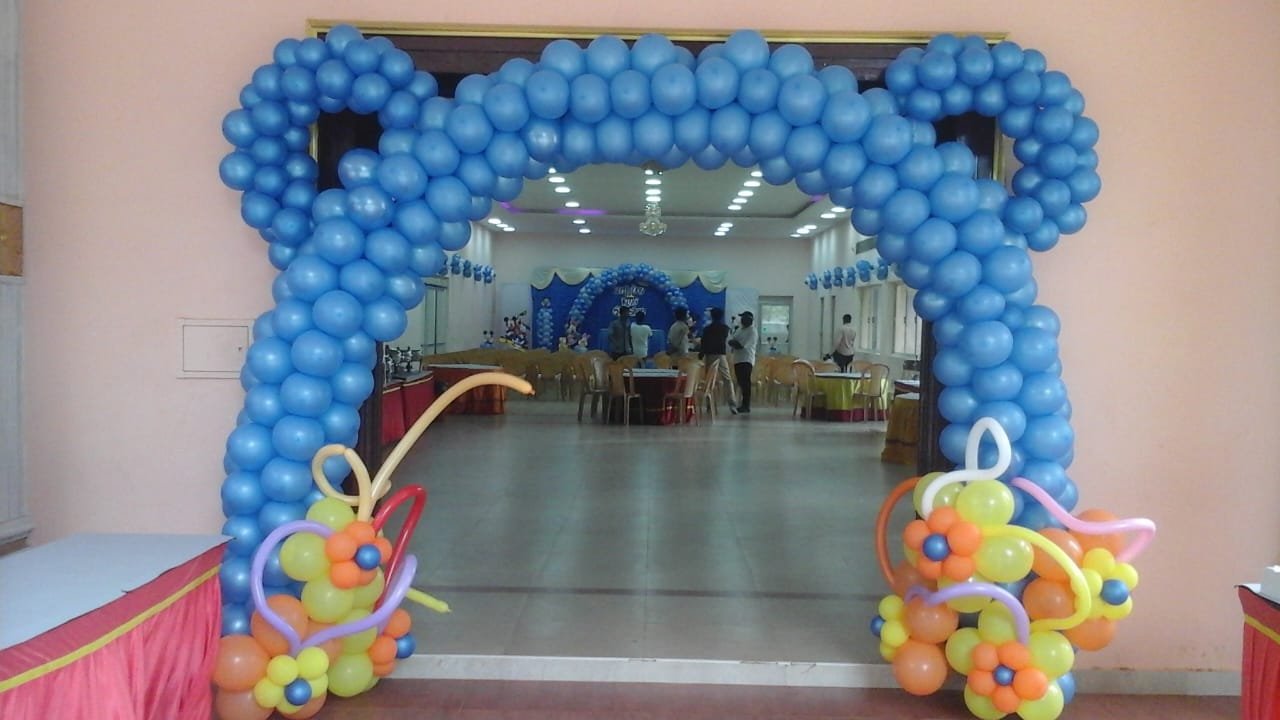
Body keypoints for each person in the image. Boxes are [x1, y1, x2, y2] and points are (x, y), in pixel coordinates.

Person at [698, 307, 738, 409]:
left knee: (709, 380)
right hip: (721, 355)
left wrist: (701, 354)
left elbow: (704, 343)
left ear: (712, 316)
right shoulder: (725, 328)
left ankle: (709, 404)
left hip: (710, 356)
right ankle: (732, 403)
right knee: (727, 379)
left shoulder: (707, 329)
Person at [728, 310, 758, 414]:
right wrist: (734, 342)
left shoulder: (752, 331)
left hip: (746, 360)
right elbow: (731, 340)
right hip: (737, 360)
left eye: (743, 318)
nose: (741, 320)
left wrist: (735, 343)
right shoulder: (740, 329)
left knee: (745, 383)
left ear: (749, 320)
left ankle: (746, 405)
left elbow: (742, 346)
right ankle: (742, 404)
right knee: (741, 382)